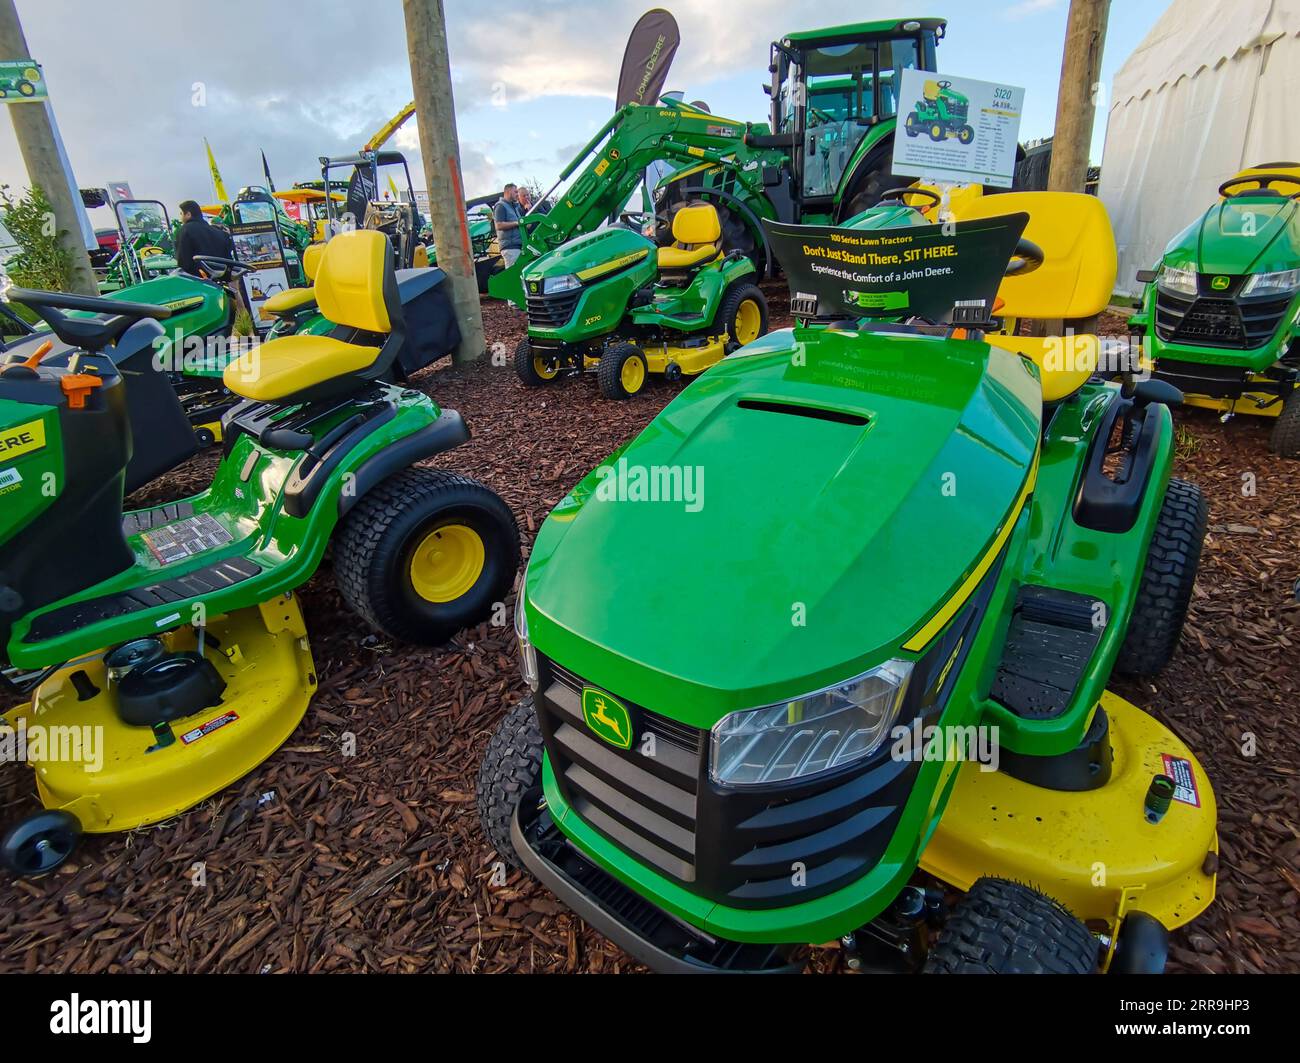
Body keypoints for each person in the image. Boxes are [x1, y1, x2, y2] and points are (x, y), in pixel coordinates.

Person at [175, 199, 236, 276]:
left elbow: (183, 261)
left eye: (181, 214)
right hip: (222, 277)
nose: (180, 217)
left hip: (198, 280)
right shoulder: (220, 233)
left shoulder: (185, 230)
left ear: (188, 214)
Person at [493, 183, 524, 267]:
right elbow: (498, 225)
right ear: (509, 191)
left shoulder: (515, 207)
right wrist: (517, 223)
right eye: (515, 192)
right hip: (510, 247)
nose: (517, 194)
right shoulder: (500, 206)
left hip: (517, 246)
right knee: (513, 274)